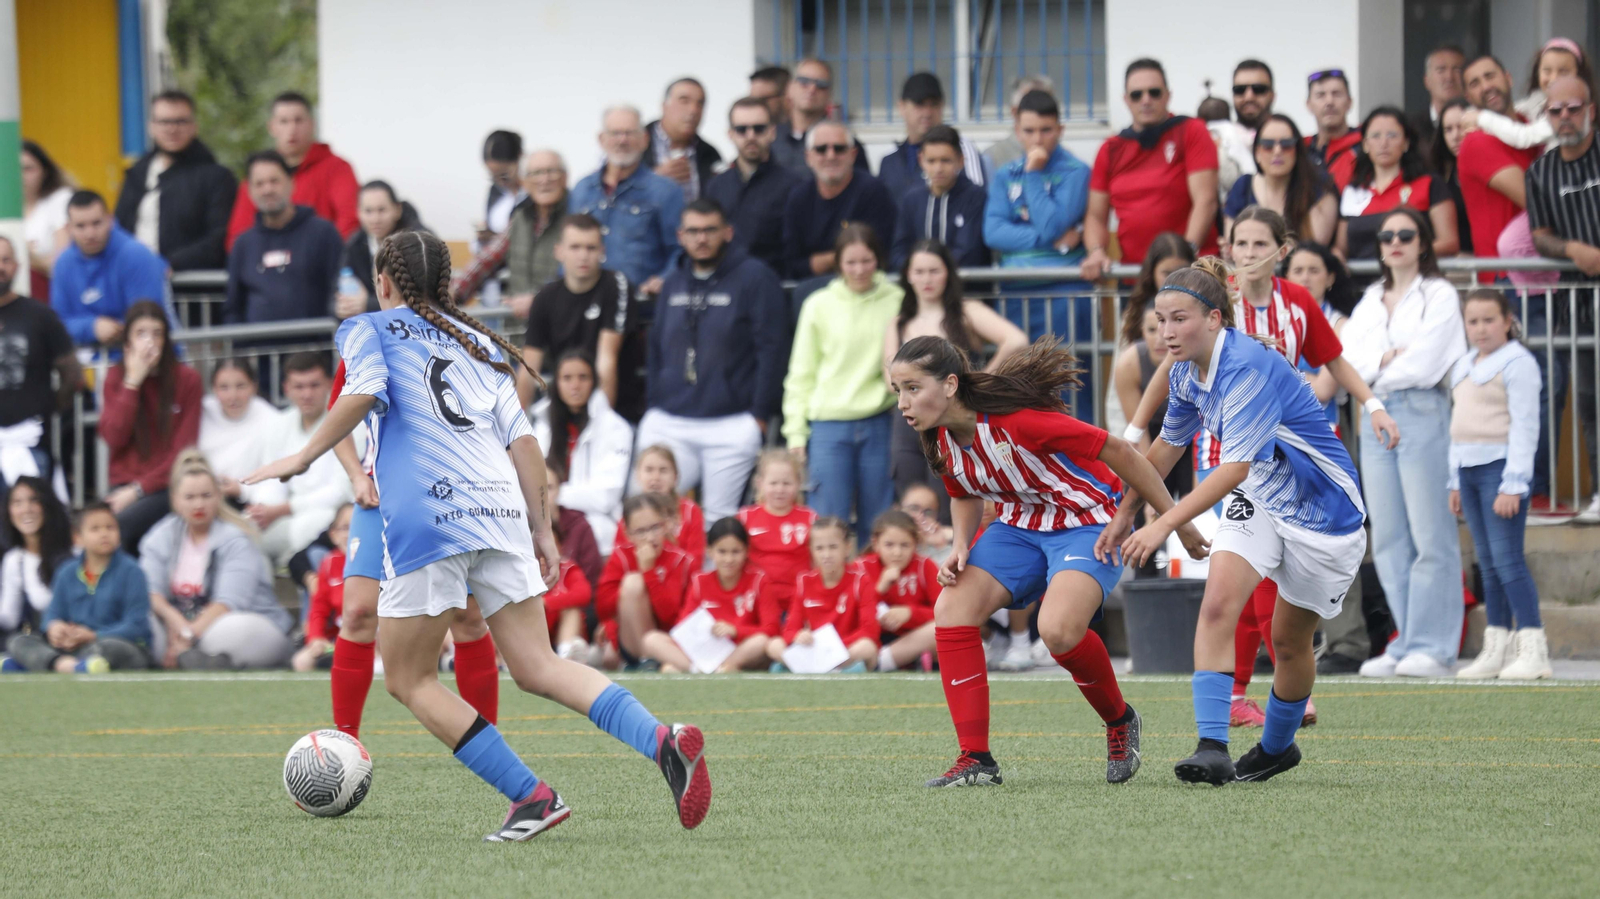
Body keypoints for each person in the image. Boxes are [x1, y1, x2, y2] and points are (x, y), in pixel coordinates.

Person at [243, 227, 711, 839]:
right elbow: (525, 443)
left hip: (428, 519)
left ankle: (533, 797)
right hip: (500, 513)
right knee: (539, 666)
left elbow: (362, 392)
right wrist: (542, 530)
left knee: (409, 680)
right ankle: (660, 739)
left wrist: (302, 457)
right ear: (446, 284)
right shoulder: (480, 344)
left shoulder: (368, 329)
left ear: (383, 283)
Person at [1102, 257, 1368, 786]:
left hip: (1325, 514)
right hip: (1262, 494)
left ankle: (1276, 749)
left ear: (1215, 319)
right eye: (1160, 320)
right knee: (1218, 604)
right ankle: (1212, 748)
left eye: (1179, 319)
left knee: (1289, 643)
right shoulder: (1185, 370)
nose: (1166, 332)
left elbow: (1233, 467)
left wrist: (1163, 524)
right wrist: (1126, 513)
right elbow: (1167, 448)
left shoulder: (1245, 367)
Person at [889, 336, 1189, 787]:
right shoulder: (938, 436)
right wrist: (961, 545)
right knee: (951, 609)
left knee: (1058, 630)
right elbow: (963, 493)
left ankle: (1120, 720)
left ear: (950, 385)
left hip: (1088, 521)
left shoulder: (1020, 422)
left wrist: (1172, 521)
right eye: (897, 390)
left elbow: (1121, 452)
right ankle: (976, 759)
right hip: (1018, 528)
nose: (903, 403)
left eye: (913, 388)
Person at [1340, 207, 1466, 678]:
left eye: (1406, 234)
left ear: (1424, 242)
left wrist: (1376, 364)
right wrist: (1384, 360)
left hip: (1421, 409)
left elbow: (1429, 362)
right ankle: (1407, 641)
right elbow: (1347, 360)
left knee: (1430, 532)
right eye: (1387, 235)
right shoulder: (1371, 298)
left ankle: (1435, 647)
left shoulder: (1440, 294)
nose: (1395, 242)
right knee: (1390, 537)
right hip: (1373, 411)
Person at [642, 199, 786, 522]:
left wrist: (759, 415)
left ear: (728, 232)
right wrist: (654, 403)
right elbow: (655, 348)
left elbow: (772, 350)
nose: (702, 238)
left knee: (717, 521)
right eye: (693, 231)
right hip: (670, 419)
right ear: (680, 236)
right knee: (651, 514)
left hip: (732, 423)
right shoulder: (673, 282)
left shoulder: (756, 278)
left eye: (710, 230)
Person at [884, 241, 1027, 516]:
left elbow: (1016, 340)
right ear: (908, 275)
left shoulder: (966, 310)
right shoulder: (899, 322)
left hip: (952, 418)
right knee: (910, 500)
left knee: (952, 498)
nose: (927, 279)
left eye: (934, 271)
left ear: (947, 273)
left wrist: (977, 381)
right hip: (908, 423)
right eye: (919, 271)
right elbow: (888, 379)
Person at [1450, 289, 1550, 680]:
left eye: (1489, 320)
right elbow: (1457, 425)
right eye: (1473, 321)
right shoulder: (1463, 365)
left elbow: (1526, 426)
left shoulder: (1518, 362)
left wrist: (1515, 482)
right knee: (1488, 564)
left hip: (1500, 469)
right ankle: (1497, 647)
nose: (1481, 329)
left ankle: (1534, 647)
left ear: (1508, 321)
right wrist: (1454, 479)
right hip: (1469, 470)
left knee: (1508, 561)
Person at [783, 225, 901, 529]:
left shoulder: (898, 299)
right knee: (828, 524)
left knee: (879, 523)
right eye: (851, 262)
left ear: (878, 260)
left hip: (880, 421)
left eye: (867, 261)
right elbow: (801, 373)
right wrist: (796, 433)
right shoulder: (817, 305)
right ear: (838, 263)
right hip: (827, 426)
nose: (859, 270)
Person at [139, 450, 293, 670]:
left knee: (231, 629)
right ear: (175, 499)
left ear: (218, 496)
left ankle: (192, 656)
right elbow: (151, 593)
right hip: (177, 627)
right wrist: (178, 626)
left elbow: (228, 603)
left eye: (206, 495)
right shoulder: (160, 535)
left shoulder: (237, 538)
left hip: (233, 623)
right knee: (142, 619)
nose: (198, 504)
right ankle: (186, 657)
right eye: (190, 497)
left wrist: (189, 635)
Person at [1526, 75, 1600, 521]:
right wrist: (1572, 249)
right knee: (1590, 400)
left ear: (1591, 110)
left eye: (1574, 108)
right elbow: (1540, 235)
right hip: (1581, 303)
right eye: (1556, 111)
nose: (1565, 117)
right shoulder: (1540, 172)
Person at [984, 88, 1093, 374]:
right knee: (1017, 385)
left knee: (1066, 384)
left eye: (1046, 130)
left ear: (1060, 130)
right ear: (1017, 131)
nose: (1037, 139)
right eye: (1029, 131)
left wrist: (1033, 173)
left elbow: (1050, 224)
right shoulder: (1005, 174)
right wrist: (1046, 240)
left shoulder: (1076, 171)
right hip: (1014, 293)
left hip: (1065, 292)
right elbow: (993, 232)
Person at [1082, 58, 1219, 280]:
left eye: (1154, 93)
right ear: (1126, 100)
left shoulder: (1191, 131)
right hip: (1136, 278)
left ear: (1167, 95)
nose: (1145, 100)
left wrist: (1184, 259)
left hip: (1193, 275)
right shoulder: (1110, 149)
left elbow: (1206, 200)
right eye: (1137, 95)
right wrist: (1096, 252)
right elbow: (1096, 216)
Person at [99, 301, 202, 555]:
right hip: (123, 483)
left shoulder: (187, 379)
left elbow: (182, 452)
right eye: (141, 334)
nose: (150, 342)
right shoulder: (116, 377)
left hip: (168, 486)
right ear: (128, 342)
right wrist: (132, 382)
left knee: (119, 527)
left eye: (157, 334)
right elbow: (114, 437)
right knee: (98, 530)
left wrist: (137, 490)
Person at [251, 353, 365, 566]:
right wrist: (262, 510)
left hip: (331, 516)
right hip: (286, 515)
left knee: (318, 522)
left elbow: (341, 491)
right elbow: (271, 482)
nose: (307, 394)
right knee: (247, 528)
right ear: (286, 388)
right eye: (299, 386)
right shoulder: (278, 424)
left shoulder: (351, 424)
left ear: (329, 384)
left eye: (314, 385)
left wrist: (283, 509)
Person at [6, 504, 150, 672]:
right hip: (73, 647)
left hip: (111, 643)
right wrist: (55, 628)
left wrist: (93, 635)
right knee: (18, 640)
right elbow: (52, 614)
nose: (104, 534)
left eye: (110, 527)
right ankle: (69, 665)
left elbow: (137, 625)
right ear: (78, 538)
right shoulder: (66, 572)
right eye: (95, 529)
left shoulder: (132, 571)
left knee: (111, 648)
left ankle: (42, 663)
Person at [113, 89, 236, 272]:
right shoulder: (136, 175)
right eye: (164, 122)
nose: (172, 129)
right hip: (134, 279)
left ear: (194, 126)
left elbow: (219, 238)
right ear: (151, 127)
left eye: (180, 121)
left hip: (189, 284)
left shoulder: (217, 178)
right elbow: (118, 230)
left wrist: (170, 264)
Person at [568, 105, 685, 297]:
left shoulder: (666, 192)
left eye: (629, 133)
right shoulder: (582, 190)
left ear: (644, 139)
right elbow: (567, 249)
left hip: (641, 305)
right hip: (586, 303)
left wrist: (664, 279)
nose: (622, 140)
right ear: (601, 139)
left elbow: (680, 250)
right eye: (615, 133)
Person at [640, 517, 779, 673]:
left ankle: (716, 668)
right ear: (709, 551)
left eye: (736, 552)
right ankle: (698, 670)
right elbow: (683, 625)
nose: (729, 559)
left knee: (761, 641)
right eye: (722, 552)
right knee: (651, 639)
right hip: (703, 651)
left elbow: (772, 628)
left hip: (739, 650)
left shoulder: (759, 581)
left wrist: (735, 630)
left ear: (746, 551)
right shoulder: (700, 581)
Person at [517, 215, 628, 407]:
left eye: (591, 248)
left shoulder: (615, 285)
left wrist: (603, 420)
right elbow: (528, 370)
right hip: (561, 406)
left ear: (602, 251)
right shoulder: (544, 297)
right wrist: (515, 423)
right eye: (575, 247)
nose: (583, 255)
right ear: (559, 251)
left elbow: (606, 363)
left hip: (610, 407)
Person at [225, 150, 345, 325]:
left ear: (291, 183)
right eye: (259, 184)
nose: (267, 190)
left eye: (274, 181)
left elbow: (340, 294)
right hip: (257, 342)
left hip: (315, 341)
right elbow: (233, 308)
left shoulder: (323, 234)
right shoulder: (242, 245)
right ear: (249, 191)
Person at [225, 92, 359, 248]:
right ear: (272, 127)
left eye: (298, 120)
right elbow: (238, 236)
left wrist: (325, 253)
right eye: (284, 121)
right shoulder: (259, 175)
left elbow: (350, 220)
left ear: (312, 124)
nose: (292, 129)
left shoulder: (337, 168)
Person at [531, 351, 632, 556]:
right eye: (567, 378)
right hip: (547, 520)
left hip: (596, 525)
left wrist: (554, 494)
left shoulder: (615, 427)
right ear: (556, 382)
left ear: (594, 381)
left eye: (583, 377)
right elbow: (528, 486)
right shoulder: (542, 424)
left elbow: (605, 497)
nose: (575, 385)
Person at [0, 241, 78, 496]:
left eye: (5, 260)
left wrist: (48, 407)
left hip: (32, 443)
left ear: (17, 266)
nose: (0, 267)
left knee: (34, 516)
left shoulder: (40, 316)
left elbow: (72, 374)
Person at [453, 149, 569, 317]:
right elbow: (488, 259)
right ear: (525, 182)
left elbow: (581, 277)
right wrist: (452, 293)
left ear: (565, 177)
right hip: (518, 323)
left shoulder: (576, 217)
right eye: (536, 173)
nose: (544, 180)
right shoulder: (520, 217)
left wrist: (540, 300)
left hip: (560, 320)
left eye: (552, 171)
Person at [50, 190, 171, 351]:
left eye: (96, 223)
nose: (90, 233)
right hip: (88, 359)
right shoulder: (63, 264)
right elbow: (58, 324)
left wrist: (113, 330)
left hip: (143, 355)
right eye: (81, 226)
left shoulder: (137, 256)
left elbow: (148, 320)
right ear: (68, 228)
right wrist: (92, 327)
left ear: (110, 220)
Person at [1335, 106, 1458, 263]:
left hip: (1415, 275)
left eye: (1392, 135)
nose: (1384, 143)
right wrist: (1335, 256)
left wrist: (1405, 254)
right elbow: (1341, 248)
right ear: (1365, 144)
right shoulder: (1352, 191)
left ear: (1406, 143)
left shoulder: (1429, 183)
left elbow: (1449, 243)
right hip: (1361, 279)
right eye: (1376, 136)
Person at [1457, 56, 1542, 282]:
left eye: (1490, 76)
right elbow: (1534, 200)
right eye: (1475, 83)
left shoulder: (1531, 128)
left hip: (1546, 269)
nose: (1486, 86)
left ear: (1508, 78)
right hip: (1505, 277)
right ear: (1468, 97)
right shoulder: (1477, 142)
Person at [781, 120, 896, 282]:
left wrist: (824, 260)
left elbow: (879, 254)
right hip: (810, 288)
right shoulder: (798, 198)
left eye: (839, 149)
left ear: (853, 155)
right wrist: (844, 257)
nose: (831, 156)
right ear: (808, 157)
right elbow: (791, 263)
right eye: (821, 149)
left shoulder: (874, 192)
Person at [764, 516, 878, 672]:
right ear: (811, 550)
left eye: (833, 547)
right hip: (814, 650)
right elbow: (789, 630)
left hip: (844, 650)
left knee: (867, 647)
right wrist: (798, 636)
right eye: (819, 548)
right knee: (773, 645)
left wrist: (834, 647)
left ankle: (816, 668)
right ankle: (815, 668)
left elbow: (869, 630)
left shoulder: (861, 581)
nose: (827, 554)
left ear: (847, 548)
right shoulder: (804, 581)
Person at [705, 97, 802, 274]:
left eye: (759, 129)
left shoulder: (794, 186)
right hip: (723, 282)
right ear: (730, 134)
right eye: (742, 129)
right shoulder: (715, 186)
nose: (751, 136)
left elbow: (796, 250)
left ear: (772, 132)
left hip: (774, 282)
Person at [596, 492, 695, 665]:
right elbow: (602, 609)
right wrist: (612, 625)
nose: (650, 537)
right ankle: (646, 661)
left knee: (635, 582)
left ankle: (653, 661)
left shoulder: (681, 561)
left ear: (665, 525)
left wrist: (649, 571)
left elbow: (669, 617)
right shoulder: (621, 556)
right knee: (632, 583)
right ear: (628, 533)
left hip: (666, 641)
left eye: (655, 527)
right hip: (631, 640)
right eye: (641, 531)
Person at [1224, 114, 1337, 245]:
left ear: (1297, 151)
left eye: (1286, 144)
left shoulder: (1319, 186)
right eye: (1268, 145)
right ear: (1257, 153)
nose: (1277, 151)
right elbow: (1232, 243)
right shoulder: (1243, 186)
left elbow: (1315, 246)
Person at [890, 125, 990, 270]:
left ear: (961, 161)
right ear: (921, 160)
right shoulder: (911, 200)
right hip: (919, 283)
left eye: (945, 160)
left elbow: (969, 253)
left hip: (965, 284)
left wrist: (928, 271)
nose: (938, 169)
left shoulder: (975, 197)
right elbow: (898, 252)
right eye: (931, 161)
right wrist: (920, 272)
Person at [877, 72, 987, 202]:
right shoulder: (889, 160)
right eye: (919, 104)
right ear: (902, 107)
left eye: (934, 104)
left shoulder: (960, 146)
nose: (927, 112)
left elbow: (977, 200)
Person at [852, 510, 940, 672]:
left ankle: (881, 663)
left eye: (905, 545)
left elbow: (944, 612)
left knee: (940, 628)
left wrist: (910, 614)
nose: (897, 553)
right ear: (876, 543)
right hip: (871, 638)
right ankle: (888, 661)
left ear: (915, 544)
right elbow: (850, 613)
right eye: (889, 545)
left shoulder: (925, 566)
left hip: (913, 638)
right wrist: (880, 589)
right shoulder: (860, 567)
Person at [199, 359, 288, 508]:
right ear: (214, 389)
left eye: (240, 386)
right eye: (224, 387)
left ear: (254, 386)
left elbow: (277, 477)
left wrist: (241, 489)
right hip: (202, 496)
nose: (233, 396)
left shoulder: (271, 419)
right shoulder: (203, 412)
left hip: (248, 503)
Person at [738, 450, 816, 613]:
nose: (780, 489)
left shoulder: (810, 518)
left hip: (798, 603)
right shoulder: (745, 518)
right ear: (760, 483)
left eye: (787, 483)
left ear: (799, 483)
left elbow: (818, 563)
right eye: (773, 483)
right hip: (756, 601)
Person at [336, 181, 426, 319]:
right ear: (358, 212)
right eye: (368, 211)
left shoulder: (418, 243)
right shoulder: (354, 244)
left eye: (382, 210)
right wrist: (341, 307)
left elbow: (422, 295)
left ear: (398, 210)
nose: (375, 219)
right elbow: (335, 288)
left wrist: (368, 304)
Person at [0, 477, 72, 642]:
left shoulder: (74, 550)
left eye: (34, 500)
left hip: (80, 635)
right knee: (18, 642)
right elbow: (9, 618)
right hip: (41, 642)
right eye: (17, 503)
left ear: (48, 505)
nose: (26, 509)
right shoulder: (14, 560)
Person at [616, 445, 706, 572]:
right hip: (640, 576)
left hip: (680, 578)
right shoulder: (631, 512)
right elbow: (619, 558)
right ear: (638, 475)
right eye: (649, 470)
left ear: (675, 476)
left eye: (663, 471)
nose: (656, 477)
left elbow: (695, 561)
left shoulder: (691, 511)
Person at [770, 58, 869, 174]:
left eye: (821, 85)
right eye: (804, 81)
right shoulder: (769, 137)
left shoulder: (844, 144)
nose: (812, 89)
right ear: (790, 88)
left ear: (829, 94)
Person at [293, 501, 354, 672]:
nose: (352, 534)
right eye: (345, 528)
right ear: (333, 534)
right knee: (302, 661)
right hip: (338, 640)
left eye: (359, 527)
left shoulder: (379, 562)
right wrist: (316, 638)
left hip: (373, 639)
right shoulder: (329, 564)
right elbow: (319, 608)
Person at [643, 78, 723, 203]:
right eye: (684, 101)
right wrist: (652, 181)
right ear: (664, 106)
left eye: (700, 104)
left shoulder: (710, 155)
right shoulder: (634, 143)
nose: (693, 110)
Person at [21, 140, 72, 298]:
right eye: (14, 168)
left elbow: (61, 266)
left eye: (28, 168)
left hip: (50, 293)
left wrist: (27, 256)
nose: (20, 175)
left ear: (45, 170)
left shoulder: (60, 200)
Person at [1428, 98, 1477, 255]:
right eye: (1448, 130)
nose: (1455, 136)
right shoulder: (1442, 174)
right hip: (1456, 261)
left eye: (1461, 127)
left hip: (1493, 259)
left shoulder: (1488, 168)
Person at [983, 75, 1056, 172]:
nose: (1039, 113)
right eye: (1030, 105)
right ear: (1014, 111)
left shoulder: (1068, 163)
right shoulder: (994, 156)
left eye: (1047, 106)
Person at [478, 130, 526, 252]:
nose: (499, 181)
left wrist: (499, 240)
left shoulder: (534, 196)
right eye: (493, 176)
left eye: (504, 175)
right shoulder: (495, 191)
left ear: (520, 158)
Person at [1304, 69, 1360, 173]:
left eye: (1337, 94)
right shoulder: (1300, 151)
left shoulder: (1367, 147)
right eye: (1320, 95)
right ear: (1309, 105)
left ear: (1349, 102)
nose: (1329, 102)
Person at [1413, 45, 1466, 146]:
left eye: (1457, 70)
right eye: (1441, 70)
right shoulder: (1412, 129)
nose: (1449, 77)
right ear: (1427, 81)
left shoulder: (1479, 123)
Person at [1231, 60, 1276, 141]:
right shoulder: (1217, 142)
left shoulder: (1291, 143)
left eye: (1258, 89)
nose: (1249, 97)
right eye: (1240, 90)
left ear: (1272, 96)